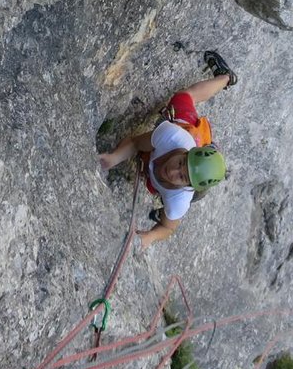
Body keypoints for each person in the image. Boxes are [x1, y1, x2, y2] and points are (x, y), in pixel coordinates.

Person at [97, 52, 236, 249]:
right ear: (186, 152)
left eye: (182, 177)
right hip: (189, 132)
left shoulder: (179, 200)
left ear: (188, 186)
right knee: (183, 97)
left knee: (174, 204)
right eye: (180, 162)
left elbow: (168, 227)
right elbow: (135, 143)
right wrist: (113, 158)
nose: (173, 171)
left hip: (168, 188)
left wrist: (150, 236)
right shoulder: (172, 136)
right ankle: (226, 78)